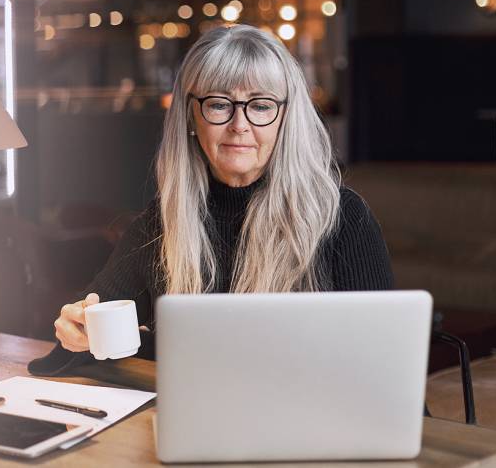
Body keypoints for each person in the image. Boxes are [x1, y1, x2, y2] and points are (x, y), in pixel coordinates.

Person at [29, 24, 392, 376]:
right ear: (191, 114)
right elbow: (86, 340)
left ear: (285, 118)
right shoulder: (162, 225)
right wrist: (74, 330)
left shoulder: (342, 218)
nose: (240, 124)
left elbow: (384, 370)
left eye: (261, 106)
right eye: (219, 105)